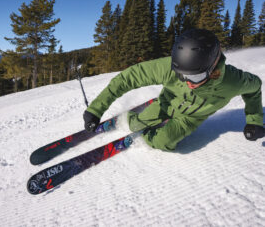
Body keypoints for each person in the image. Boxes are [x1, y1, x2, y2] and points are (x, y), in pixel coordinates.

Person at [83, 29, 264, 151]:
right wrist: (96, 109)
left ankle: (146, 134)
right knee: (137, 123)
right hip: (166, 103)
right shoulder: (170, 68)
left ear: (213, 67)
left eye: (195, 77)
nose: (188, 82)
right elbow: (128, 77)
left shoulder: (233, 81)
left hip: (189, 118)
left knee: (164, 142)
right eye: (181, 75)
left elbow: (255, 88)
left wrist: (255, 120)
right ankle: (130, 121)